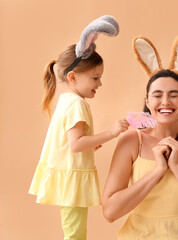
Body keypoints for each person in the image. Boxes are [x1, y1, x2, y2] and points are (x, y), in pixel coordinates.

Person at [29, 16, 129, 240]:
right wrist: (112, 133)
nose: (100, 84)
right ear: (73, 77)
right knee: (75, 234)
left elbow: (67, 142)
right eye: (95, 78)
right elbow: (76, 145)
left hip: (67, 177)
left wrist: (90, 144)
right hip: (71, 181)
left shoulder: (65, 100)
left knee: (73, 229)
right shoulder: (77, 104)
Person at [102, 69, 178, 239]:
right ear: (147, 101)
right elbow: (110, 211)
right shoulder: (131, 140)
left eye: (174, 95)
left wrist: (176, 167)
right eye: (157, 95)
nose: (166, 101)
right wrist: (158, 171)